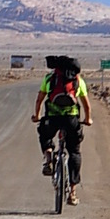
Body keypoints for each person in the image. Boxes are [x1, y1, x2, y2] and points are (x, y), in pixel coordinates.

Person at [31, 55, 93, 205]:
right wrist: (88, 119)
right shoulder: (78, 81)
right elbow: (86, 104)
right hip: (71, 120)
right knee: (74, 152)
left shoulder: (50, 79)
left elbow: (39, 99)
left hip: (52, 118)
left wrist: (37, 115)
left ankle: (49, 157)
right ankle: (72, 193)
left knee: (44, 134)